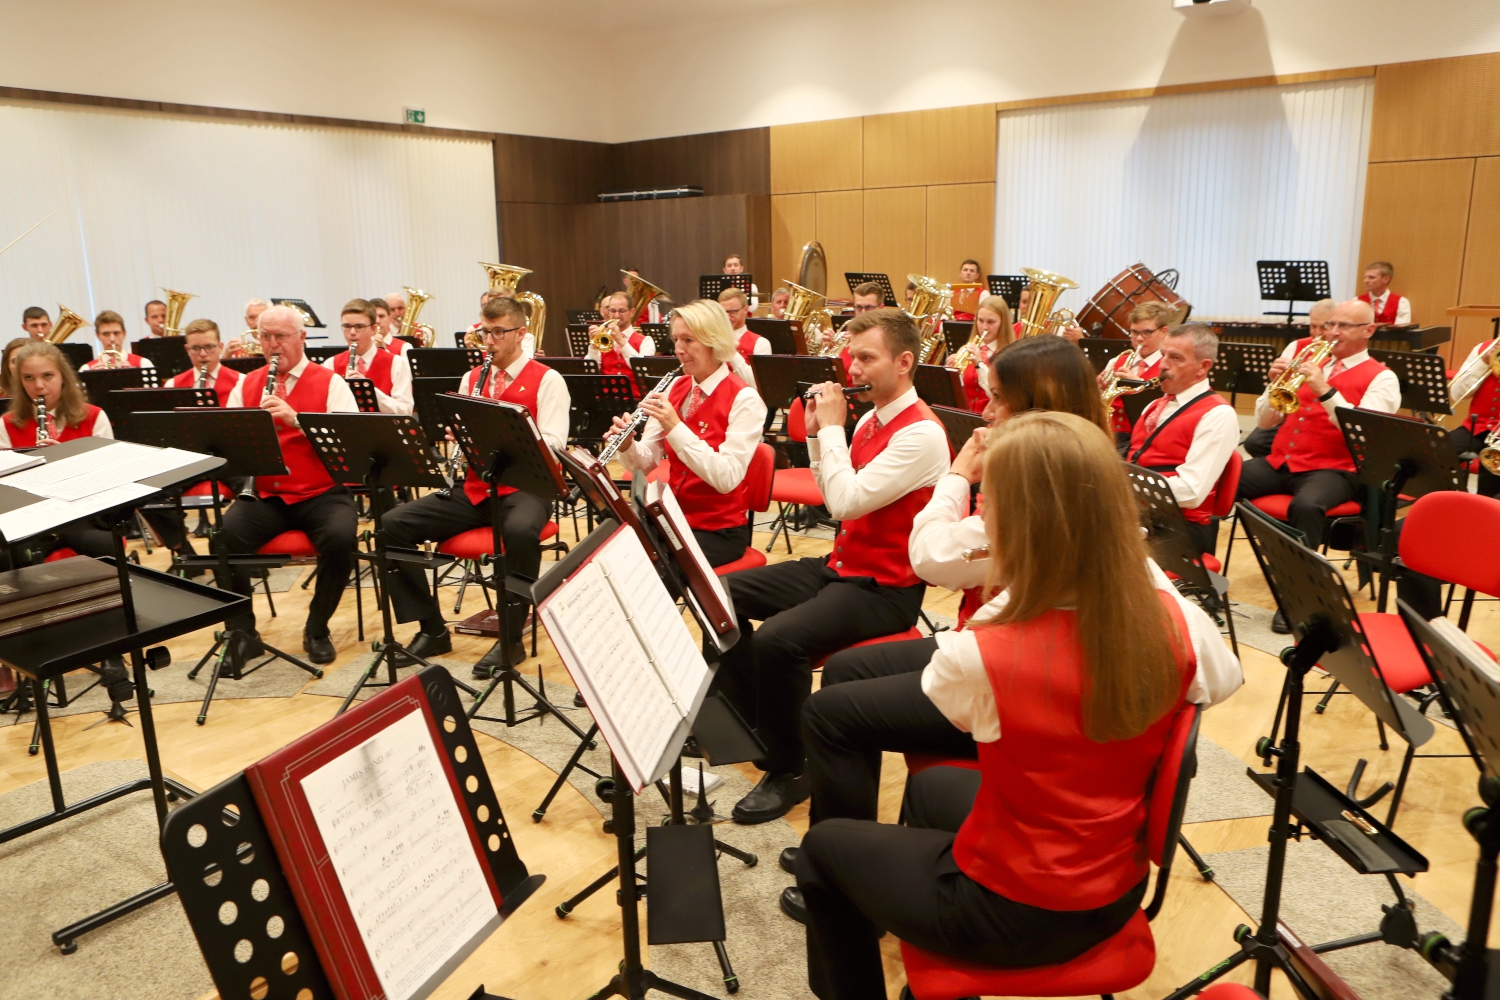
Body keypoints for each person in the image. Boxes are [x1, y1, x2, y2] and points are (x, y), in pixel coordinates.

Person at [793, 411, 1241, 998]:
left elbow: (951, 700)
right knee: (930, 791)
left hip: (1019, 913)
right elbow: (1222, 680)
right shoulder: (1173, 615)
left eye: (989, 502)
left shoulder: (985, 651)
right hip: (1117, 884)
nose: (981, 515)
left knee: (823, 850)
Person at [716, 308, 949, 823]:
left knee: (780, 640)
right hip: (843, 566)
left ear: (905, 362)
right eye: (852, 355)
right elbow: (830, 494)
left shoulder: (921, 435)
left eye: (867, 357)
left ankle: (789, 765)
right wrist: (824, 434)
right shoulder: (869, 418)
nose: (854, 368)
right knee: (721, 594)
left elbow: (842, 504)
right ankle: (752, 723)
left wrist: (833, 431)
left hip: (884, 587)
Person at [380, 296, 568, 674]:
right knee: (391, 525)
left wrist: (511, 436)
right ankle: (432, 629)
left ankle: (511, 638)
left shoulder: (548, 380)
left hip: (526, 490)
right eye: (486, 333)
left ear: (520, 333)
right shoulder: (472, 379)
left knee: (518, 531)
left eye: (499, 333)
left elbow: (555, 443)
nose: (490, 341)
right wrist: (462, 437)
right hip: (476, 489)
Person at [1238, 299, 1400, 627]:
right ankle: (1197, 576)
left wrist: (1324, 388)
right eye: (1330, 325)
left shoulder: (1383, 378)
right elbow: (1265, 423)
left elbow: (1363, 434)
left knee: (1308, 506)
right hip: (1284, 460)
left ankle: (1299, 598)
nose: (1332, 332)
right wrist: (1274, 386)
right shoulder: (1307, 358)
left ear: (1368, 331)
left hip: (1336, 469)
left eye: (1343, 326)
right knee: (1225, 479)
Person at [221, 305, 361, 664]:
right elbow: (230, 449)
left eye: (280, 336)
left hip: (322, 493)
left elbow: (350, 443)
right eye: (265, 337)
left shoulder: (331, 382)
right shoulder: (245, 383)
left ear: (301, 338)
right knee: (225, 536)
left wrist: (297, 421)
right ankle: (242, 633)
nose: (272, 345)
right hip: (267, 495)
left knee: (341, 538)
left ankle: (317, 627)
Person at [613, 300, 768, 566]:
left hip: (719, 531)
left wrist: (676, 427)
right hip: (674, 518)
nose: (678, 350)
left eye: (688, 340)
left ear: (714, 341)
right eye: (676, 340)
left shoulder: (745, 399)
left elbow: (726, 477)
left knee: (657, 572)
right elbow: (647, 460)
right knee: (619, 555)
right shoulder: (674, 386)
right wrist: (627, 444)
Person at [1125, 325, 1239, 556]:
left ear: (1203, 367)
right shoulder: (1154, 405)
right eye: (1164, 354)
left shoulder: (1218, 415)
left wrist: (1125, 486)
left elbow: (1191, 492)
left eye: (1175, 358)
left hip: (1182, 528)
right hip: (1142, 514)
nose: (1163, 365)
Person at [1242, 298, 1337, 459]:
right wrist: (1275, 380)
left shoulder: (1342, 354)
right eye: (1313, 326)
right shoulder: (1297, 346)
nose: (1317, 333)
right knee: (1254, 442)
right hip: (1291, 416)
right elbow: (1268, 413)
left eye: (1324, 327)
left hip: (1323, 423)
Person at [1097, 301, 1174, 448]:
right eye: (1134, 332)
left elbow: (1169, 409)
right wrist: (1098, 388)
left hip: (1145, 439)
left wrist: (1138, 385)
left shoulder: (1169, 365)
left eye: (1147, 332)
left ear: (1164, 332)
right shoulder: (1117, 361)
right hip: (1108, 432)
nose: (1139, 339)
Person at [323, 299, 413, 414]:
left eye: (359, 326)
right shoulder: (330, 364)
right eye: (346, 326)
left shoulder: (397, 363)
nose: (352, 332)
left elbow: (405, 411)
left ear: (373, 329)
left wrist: (370, 391)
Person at [587, 290, 655, 397]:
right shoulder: (603, 336)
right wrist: (593, 347)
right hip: (606, 400)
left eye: (622, 311)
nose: (616, 315)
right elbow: (590, 371)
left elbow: (643, 370)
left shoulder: (646, 341)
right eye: (612, 311)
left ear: (632, 312)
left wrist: (621, 341)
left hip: (636, 401)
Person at [168, 319, 243, 403]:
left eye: (209, 347)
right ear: (187, 350)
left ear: (221, 347)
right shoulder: (172, 385)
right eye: (195, 348)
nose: (203, 354)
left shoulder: (242, 382)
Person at [959, 295, 1011, 413]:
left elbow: (998, 395)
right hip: (964, 415)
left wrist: (979, 364)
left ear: (1003, 323)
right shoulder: (966, 350)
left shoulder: (1009, 355)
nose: (984, 327)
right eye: (980, 320)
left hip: (992, 418)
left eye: (991, 322)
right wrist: (952, 372)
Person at [717, 286, 770, 387]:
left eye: (732, 312)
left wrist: (729, 347)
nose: (727, 317)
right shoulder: (712, 340)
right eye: (723, 312)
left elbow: (756, 384)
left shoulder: (761, 343)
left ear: (746, 310)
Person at [82, 311, 154, 370]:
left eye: (116, 333)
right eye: (106, 334)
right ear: (98, 336)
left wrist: (135, 375)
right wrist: (91, 377)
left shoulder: (144, 364)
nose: (112, 339)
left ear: (124, 334)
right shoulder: (86, 369)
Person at [1359, 261, 1412, 326]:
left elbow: (1400, 333)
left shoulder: (1401, 302)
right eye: (1365, 277)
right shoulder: (1357, 301)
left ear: (1386, 279)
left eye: (1371, 277)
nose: (1365, 281)